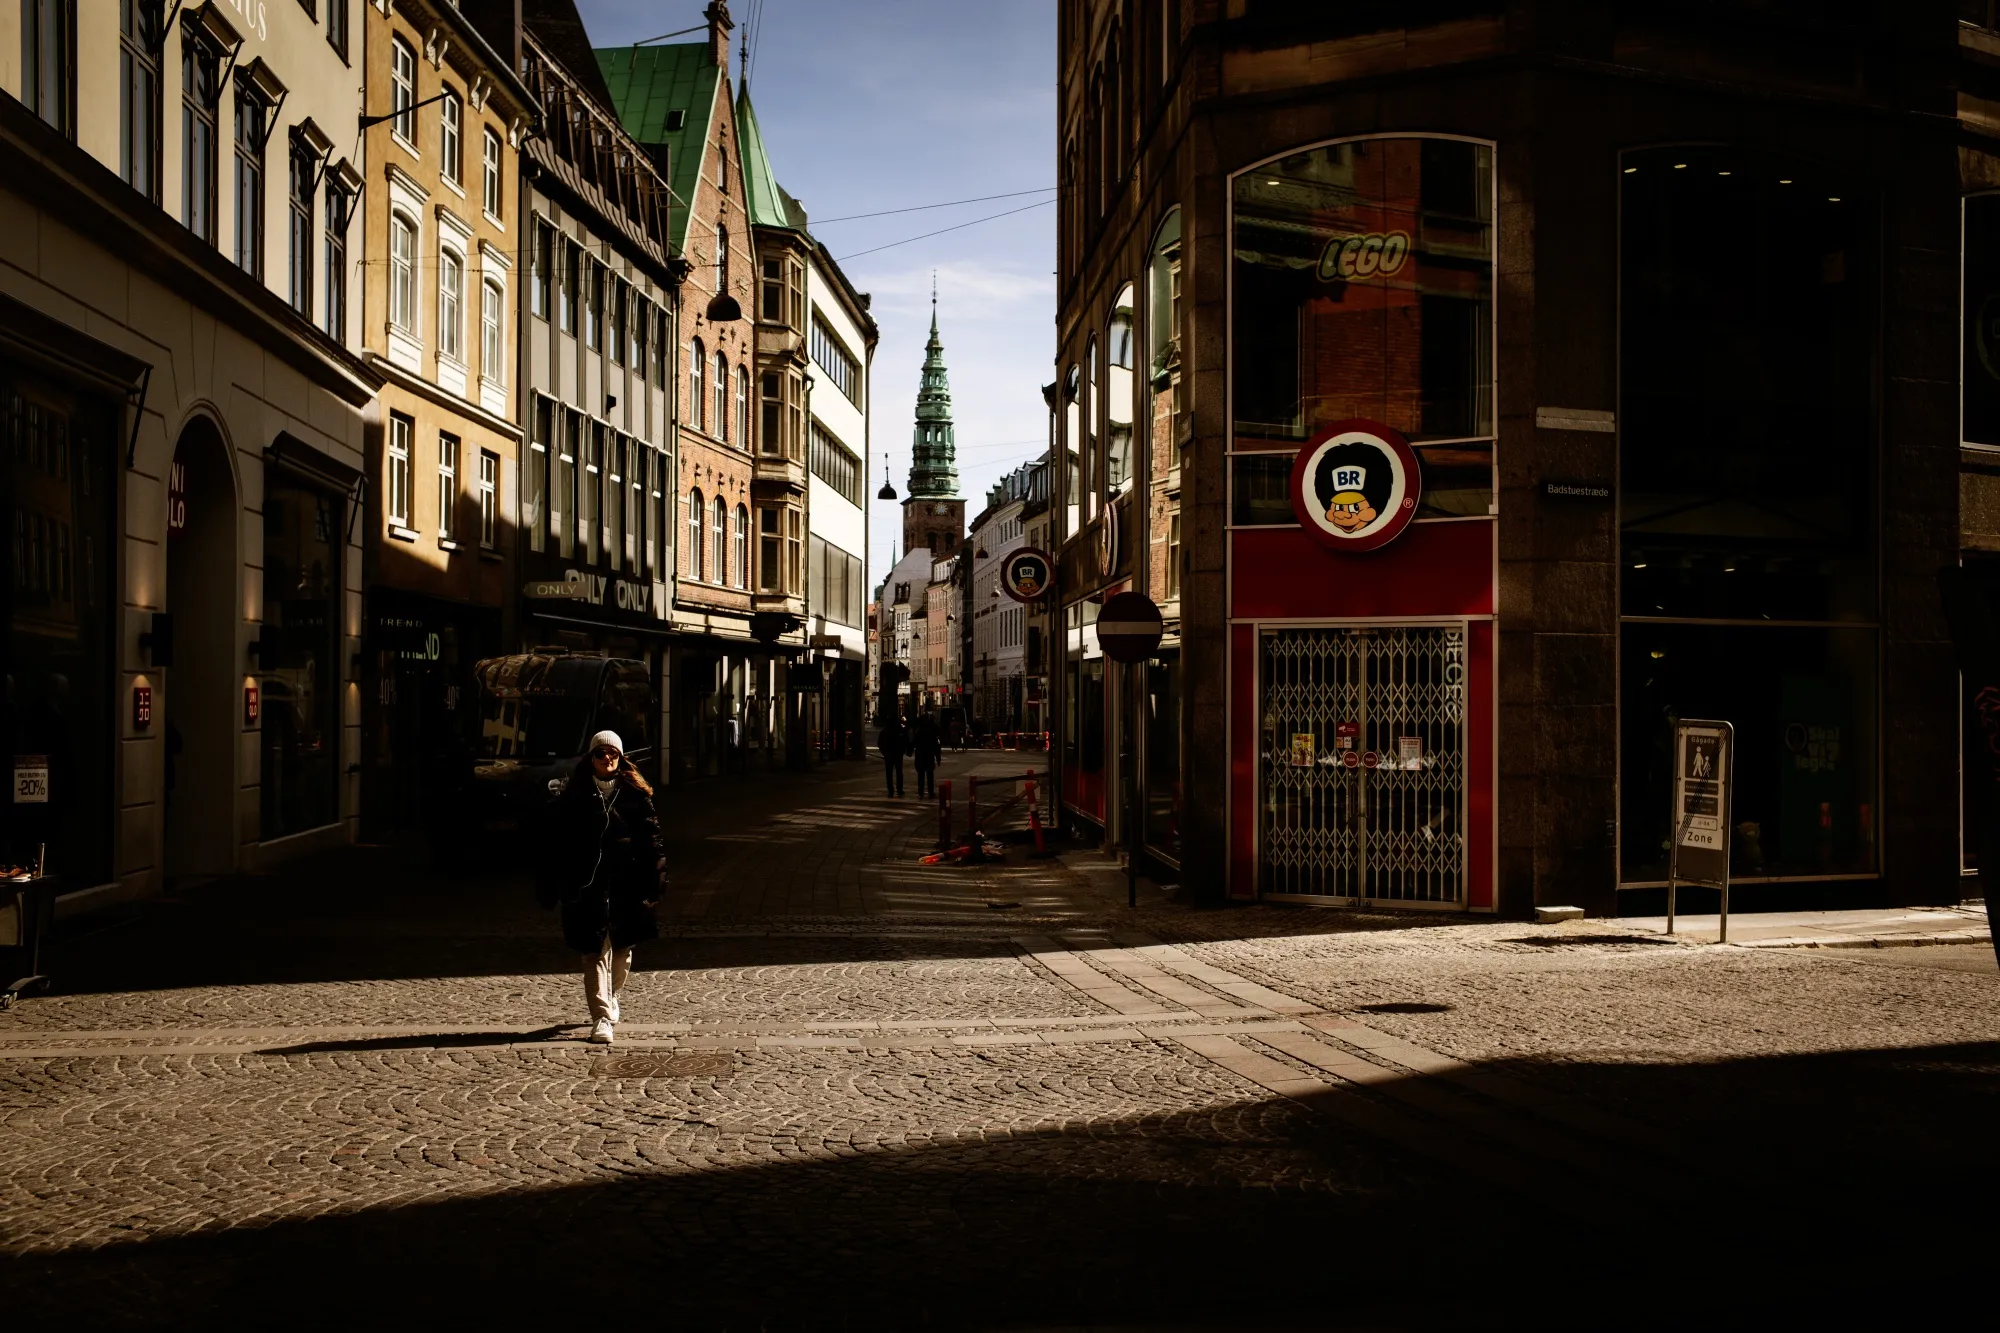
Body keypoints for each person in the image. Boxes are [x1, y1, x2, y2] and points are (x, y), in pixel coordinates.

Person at [536, 731, 664, 1044]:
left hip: (625, 885)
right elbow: (556, 846)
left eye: (613, 754)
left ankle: (612, 995)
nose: (607, 759)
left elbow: (652, 842)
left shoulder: (635, 794)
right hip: (587, 887)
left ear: (621, 759)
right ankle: (602, 1017)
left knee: (622, 952)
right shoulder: (574, 795)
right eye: (601, 753)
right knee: (593, 952)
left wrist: (657, 880)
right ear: (590, 758)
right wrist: (553, 886)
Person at [878, 712, 909, 797]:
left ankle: (890, 790)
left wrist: (884, 752)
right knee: (899, 772)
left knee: (889, 773)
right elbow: (905, 741)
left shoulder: (884, 731)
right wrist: (903, 750)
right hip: (897, 754)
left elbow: (880, 743)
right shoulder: (899, 730)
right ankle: (899, 789)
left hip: (889, 754)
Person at [911, 714, 941, 798]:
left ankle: (921, 792)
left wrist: (909, 750)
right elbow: (936, 745)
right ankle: (930, 792)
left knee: (921, 775)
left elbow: (913, 743)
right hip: (929, 755)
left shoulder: (918, 732)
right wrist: (938, 757)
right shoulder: (931, 732)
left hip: (920, 755)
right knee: (930, 774)